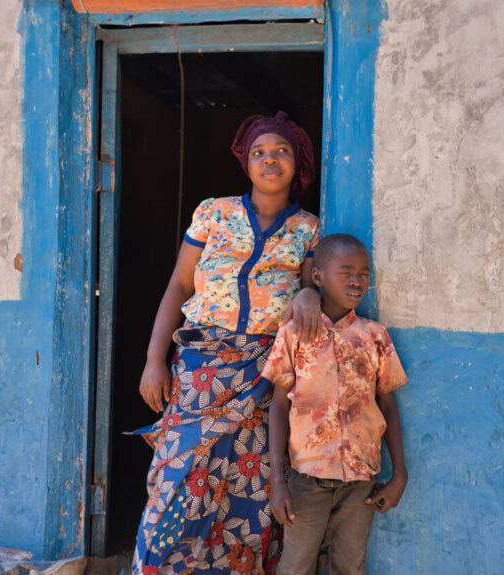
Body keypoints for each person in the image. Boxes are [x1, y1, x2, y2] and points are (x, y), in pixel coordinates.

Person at [132, 111, 322, 575]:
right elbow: (179, 286)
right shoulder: (213, 213)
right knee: (176, 480)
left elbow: (309, 286)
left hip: (263, 373)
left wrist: (309, 290)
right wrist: (154, 359)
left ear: (298, 165)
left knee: (247, 490)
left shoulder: (309, 230)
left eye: (281, 152)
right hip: (199, 368)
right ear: (246, 163)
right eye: (258, 152)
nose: (269, 159)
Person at [264, 233, 408, 575]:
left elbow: (387, 403)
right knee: (296, 566)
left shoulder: (374, 336)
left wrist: (399, 472)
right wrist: (277, 478)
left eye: (363, 273)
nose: (356, 280)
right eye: (345, 272)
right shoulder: (294, 333)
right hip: (306, 477)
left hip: (359, 481)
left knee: (349, 566)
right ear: (318, 277)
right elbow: (279, 405)